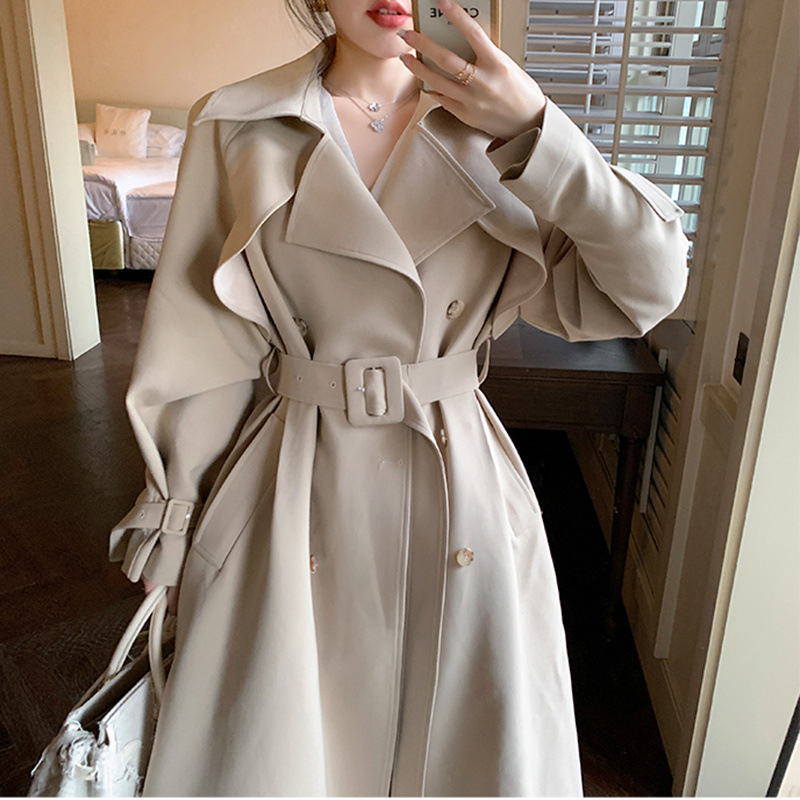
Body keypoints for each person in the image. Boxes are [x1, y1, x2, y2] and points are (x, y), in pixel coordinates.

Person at [109, 0, 689, 794]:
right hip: (290, 489)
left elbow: (648, 286)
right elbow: (203, 343)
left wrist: (534, 131)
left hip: (460, 491)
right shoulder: (237, 122)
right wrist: (176, 516)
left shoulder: (505, 128)